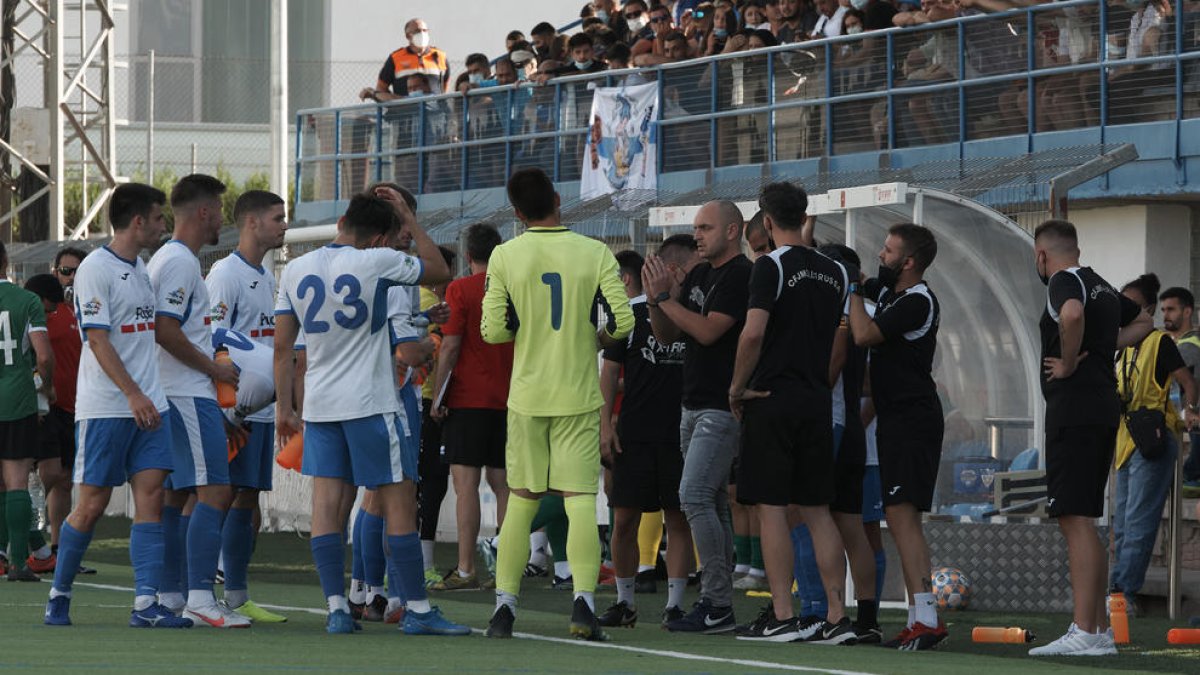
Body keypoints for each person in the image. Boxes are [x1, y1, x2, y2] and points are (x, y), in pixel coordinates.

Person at [273, 188, 467, 636]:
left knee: (328, 506)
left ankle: (337, 608)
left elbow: (284, 349)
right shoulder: (377, 261)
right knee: (399, 502)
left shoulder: (296, 268)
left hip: (321, 406)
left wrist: (285, 407)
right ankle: (417, 609)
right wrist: (409, 219)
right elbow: (439, 269)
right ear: (381, 237)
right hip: (371, 403)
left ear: (342, 221)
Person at [481, 167, 634, 641]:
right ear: (558, 199)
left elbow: (494, 331)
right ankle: (583, 606)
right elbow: (624, 320)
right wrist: (597, 337)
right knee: (581, 501)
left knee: (522, 501)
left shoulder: (504, 255)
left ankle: (504, 609)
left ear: (516, 213)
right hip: (579, 395)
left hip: (528, 397)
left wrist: (522, 328)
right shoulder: (594, 251)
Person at [44, 183, 191, 628]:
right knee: (91, 505)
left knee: (152, 497)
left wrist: (147, 394)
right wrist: (132, 392)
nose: (164, 225)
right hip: (108, 408)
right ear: (138, 221)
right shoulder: (95, 269)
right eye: (159, 217)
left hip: (152, 407)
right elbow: (98, 340)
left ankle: (145, 604)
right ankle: (59, 593)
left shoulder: (141, 266)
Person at [729, 182, 857, 643]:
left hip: (772, 397)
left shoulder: (770, 266)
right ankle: (837, 617)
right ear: (804, 216)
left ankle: (783, 613)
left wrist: (736, 387)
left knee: (772, 510)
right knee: (818, 511)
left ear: (766, 222)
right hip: (816, 400)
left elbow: (753, 334)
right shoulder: (836, 270)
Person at [1026, 219, 1152, 657]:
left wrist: (1067, 361)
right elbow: (1146, 321)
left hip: (1075, 408)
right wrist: (1102, 346)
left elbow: (1071, 315)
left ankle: (1085, 629)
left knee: (1074, 519)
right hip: (1102, 407)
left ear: (1042, 255)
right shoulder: (1100, 284)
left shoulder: (1063, 280)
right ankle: (1096, 630)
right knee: (1084, 520)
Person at [642, 200, 752, 634]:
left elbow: (707, 331)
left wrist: (664, 298)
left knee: (693, 497)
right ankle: (719, 602)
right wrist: (657, 301)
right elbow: (668, 334)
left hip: (720, 406)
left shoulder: (740, 274)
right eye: (696, 228)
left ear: (732, 231)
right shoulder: (702, 274)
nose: (697, 235)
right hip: (692, 403)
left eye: (705, 227)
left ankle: (716, 600)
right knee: (712, 502)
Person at [148, 174, 246, 628]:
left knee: (178, 493)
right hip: (185, 392)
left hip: (178, 392)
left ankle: (174, 593)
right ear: (204, 212)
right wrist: (214, 370)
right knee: (216, 490)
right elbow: (165, 330)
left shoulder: (172, 259)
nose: (222, 220)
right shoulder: (180, 262)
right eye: (220, 210)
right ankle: (202, 598)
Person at [846, 222, 945, 650]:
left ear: (908, 262)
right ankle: (916, 619)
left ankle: (928, 619)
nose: (880, 256)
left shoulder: (917, 301)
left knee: (904, 520)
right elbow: (866, 283)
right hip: (895, 419)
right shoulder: (893, 294)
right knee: (900, 518)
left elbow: (864, 333)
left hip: (913, 421)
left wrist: (852, 289)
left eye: (888, 251)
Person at [204, 189, 290, 624]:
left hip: (260, 407)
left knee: (247, 495)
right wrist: (225, 408)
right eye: (278, 218)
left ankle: (237, 595)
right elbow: (213, 338)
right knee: (218, 496)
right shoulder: (225, 274)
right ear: (252, 222)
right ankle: (197, 591)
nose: (284, 226)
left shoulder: (267, 276)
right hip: (231, 410)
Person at [598, 250, 694, 629]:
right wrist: (605, 425)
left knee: (679, 519)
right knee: (624, 520)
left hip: (682, 433)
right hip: (635, 433)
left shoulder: (693, 314)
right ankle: (625, 602)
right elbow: (609, 372)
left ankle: (675, 606)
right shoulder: (631, 314)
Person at [430, 224, 514, 591]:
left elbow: (449, 347)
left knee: (466, 486)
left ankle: (466, 569)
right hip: (510, 398)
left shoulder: (460, 289)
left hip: (467, 399)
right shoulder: (513, 288)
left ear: (467, 255)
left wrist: (438, 396)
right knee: (504, 486)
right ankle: (507, 570)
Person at [1109, 274, 1197, 611]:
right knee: (1122, 523)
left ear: (1145, 309)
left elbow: (1188, 382)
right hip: (1125, 440)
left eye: (1129, 304)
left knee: (1138, 523)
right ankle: (1117, 592)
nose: (1122, 310)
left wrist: (1189, 410)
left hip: (1152, 439)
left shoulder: (1159, 342)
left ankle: (1122, 595)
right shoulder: (1121, 347)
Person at [22, 269, 88, 577]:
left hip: (71, 406)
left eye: (75, 271)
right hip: (43, 404)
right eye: (65, 271)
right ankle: (25, 539)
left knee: (62, 478)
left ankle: (53, 548)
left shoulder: (73, 314)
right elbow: (39, 358)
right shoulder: (31, 315)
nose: (70, 277)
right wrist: (40, 391)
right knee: (40, 473)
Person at [0, 243, 54, 582]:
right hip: (17, 397)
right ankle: (18, 563)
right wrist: (46, 387)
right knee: (17, 480)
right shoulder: (27, 301)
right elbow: (44, 356)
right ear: (6, 261)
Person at [1160, 287, 1200, 495]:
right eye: (1163, 310)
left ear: (1187, 312)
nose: (1165, 315)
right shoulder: (1179, 343)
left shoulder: (1189, 346)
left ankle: (1191, 474)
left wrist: (1190, 409)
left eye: (1171, 309)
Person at [359, 18, 450, 101]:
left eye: (425, 30)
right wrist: (394, 103)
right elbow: (381, 88)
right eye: (417, 31)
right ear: (408, 36)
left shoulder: (440, 56)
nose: (422, 34)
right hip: (405, 111)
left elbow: (444, 88)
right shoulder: (396, 58)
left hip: (434, 110)